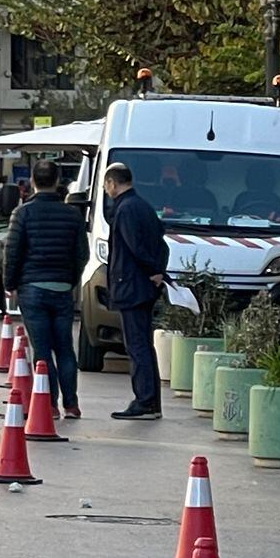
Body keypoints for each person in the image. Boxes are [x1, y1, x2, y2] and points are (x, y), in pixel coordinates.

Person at [4, 159, 89, 419]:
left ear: (32, 181)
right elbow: (81, 255)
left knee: (41, 350)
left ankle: (48, 404)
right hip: (62, 287)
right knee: (65, 348)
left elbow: (13, 251)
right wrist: (71, 280)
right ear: (58, 181)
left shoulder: (23, 213)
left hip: (32, 288)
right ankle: (71, 405)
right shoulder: (73, 215)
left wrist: (10, 284)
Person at [104, 162, 170, 420]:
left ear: (112, 183)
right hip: (143, 285)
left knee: (137, 345)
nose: (107, 190)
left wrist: (154, 270)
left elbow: (134, 247)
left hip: (132, 284)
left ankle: (144, 401)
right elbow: (161, 244)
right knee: (143, 343)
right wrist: (159, 270)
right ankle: (151, 401)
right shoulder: (143, 206)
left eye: (106, 186)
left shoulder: (126, 209)